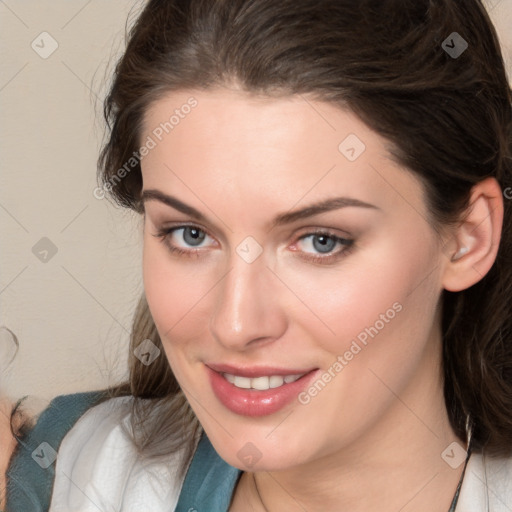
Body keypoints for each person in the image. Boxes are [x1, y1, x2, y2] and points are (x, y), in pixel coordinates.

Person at [6, 0, 512, 510]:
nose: (236, 323)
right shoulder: (59, 475)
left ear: (467, 237)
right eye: (190, 234)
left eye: (321, 241)